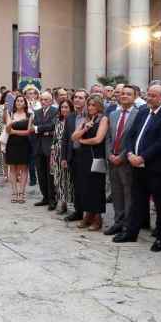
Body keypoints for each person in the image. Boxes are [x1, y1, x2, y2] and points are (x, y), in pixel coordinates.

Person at [115, 84, 161, 248]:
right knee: (138, 201)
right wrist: (129, 154)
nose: (149, 98)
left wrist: (142, 157)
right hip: (137, 165)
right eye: (148, 95)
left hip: (157, 168)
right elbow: (131, 135)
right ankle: (131, 233)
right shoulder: (143, 111)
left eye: (153, 95)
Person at [104, 86, 138, 236]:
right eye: (122, 93)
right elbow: (108, 138)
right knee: (116, 193)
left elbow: (134, 139)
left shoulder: (139, 115)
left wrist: (121, 156)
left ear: (135, 97)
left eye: (128, 94)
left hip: (127, 161)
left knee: (128, 194)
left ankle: (127, 225)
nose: (124, 96)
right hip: (112, 159)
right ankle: (118, 222)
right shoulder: (113, 114)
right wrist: (110, 154)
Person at [72, 94, 109, 230]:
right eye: (89, 105)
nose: (91, 107)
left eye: (94, 105)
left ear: (99, 106)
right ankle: (87, 215)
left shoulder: (103, 119)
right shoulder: (85, 119)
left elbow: (98, 139)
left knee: (96, 187)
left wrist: (82, 141)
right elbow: (73, 137)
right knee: (84, 187)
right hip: (83, 157)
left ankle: (97, 218)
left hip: (96, 156)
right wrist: (85, 128)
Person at [61, 90, 88, 222]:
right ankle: (78, 211)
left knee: (86, 185)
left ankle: (89, 214)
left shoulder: (90, 116)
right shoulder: (70, 117)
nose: (77, 100)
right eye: (76, 97)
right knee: (76, 184)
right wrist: (64, 157)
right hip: (73, 155)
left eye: (81, 98)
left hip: (87, 155)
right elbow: (65, 138)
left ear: (86, 100)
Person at [31, 90, 58, 208]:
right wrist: (43, 130)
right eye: (41, 99)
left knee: (50, 174)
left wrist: (38, 129)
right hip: (38, 147)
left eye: (46, 99)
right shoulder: (36, 112)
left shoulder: (55, 111)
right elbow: (34, 125)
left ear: (51, 100)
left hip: (49, 147)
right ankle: (45, 197)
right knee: (41, 174)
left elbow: (52, 125)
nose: (43, 102)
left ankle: (52, 199)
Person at [5, 95, 33, 203]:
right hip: (12, 143)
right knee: (12, 169)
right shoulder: (10, 114)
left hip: (24, 144)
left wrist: (14, 131)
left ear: (25, 103)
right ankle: (14, 192)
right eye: (17, 101)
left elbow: (28, 132)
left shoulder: (29, 115)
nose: (19, 102)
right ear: (15, 103)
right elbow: (7, 130)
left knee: (24, 169)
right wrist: (10, 123)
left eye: (21, 101)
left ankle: (21, 193)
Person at [51, 98, 75, 217]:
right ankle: (62, 202)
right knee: (58, 178)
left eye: (66, 107)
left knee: (69, 179)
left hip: (69, 153)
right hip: (57, 153)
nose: (64, 110)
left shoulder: (74, 121)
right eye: (62, 107)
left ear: (71, 109)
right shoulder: (58, 121)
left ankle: (72, 203)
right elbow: (55, 138)